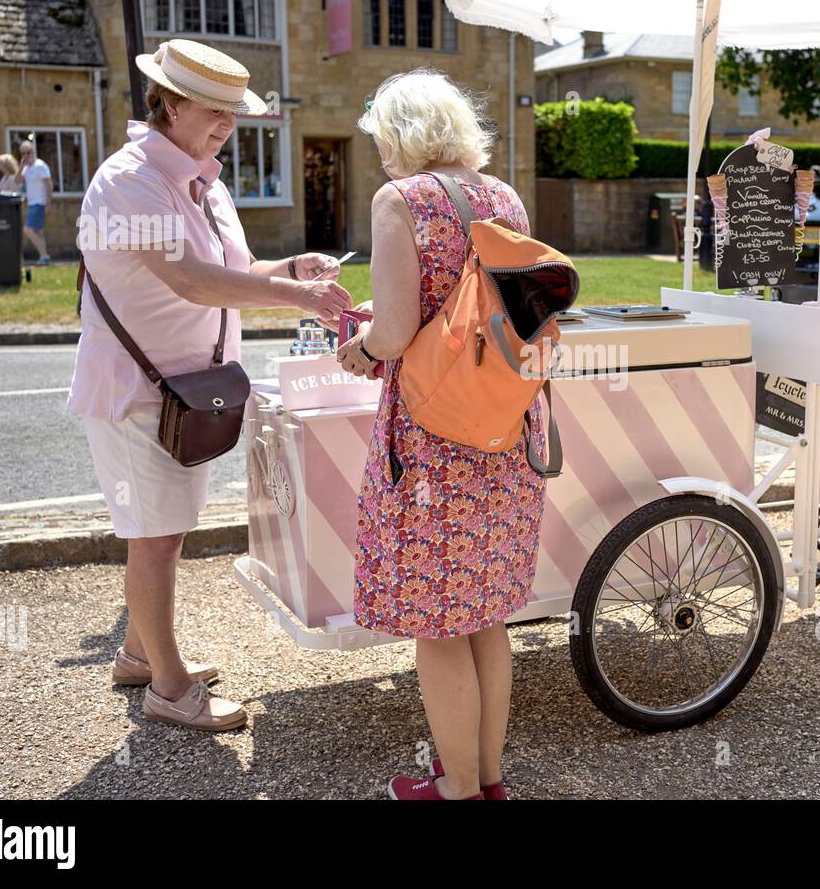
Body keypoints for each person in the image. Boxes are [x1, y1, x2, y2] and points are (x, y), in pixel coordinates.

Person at [67, 39, 352, 732]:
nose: (227, 121)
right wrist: (299, 301)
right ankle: (167, 686)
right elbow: (190, 279)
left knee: (167, 530)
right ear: (168, 100)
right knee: (154, 539)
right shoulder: (130, 179)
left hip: (188, 392)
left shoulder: (205, 178)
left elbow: (236, 266)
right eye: (213, 107)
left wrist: (292, 268)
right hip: (139, 390)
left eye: (234, 110)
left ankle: (140, 653)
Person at [337, 69, 546, 801]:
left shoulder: (400, 200)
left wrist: (360, 348)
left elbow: (396, 334)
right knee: (484, 610)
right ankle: (487, 780)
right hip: (501, 426)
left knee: (437, 620)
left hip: (432, 439)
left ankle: (454, 788)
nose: (380, 158)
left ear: (400, 136)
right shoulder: (503, 196)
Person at [16, 140, 53, 265]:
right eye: (23, 153)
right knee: (38, 232)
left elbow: (49, 184)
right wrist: (21, 166)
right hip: (32, 203)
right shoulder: (26, 168)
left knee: (28, 229)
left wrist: (48, 203)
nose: (26, 155)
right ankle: (45, 257)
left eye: (28, 152)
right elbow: (17, 180)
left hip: (40, 202)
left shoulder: (40, 165)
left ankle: (44, 255)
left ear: (34, 152)